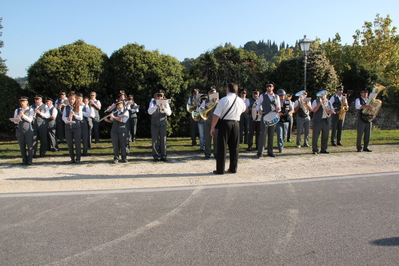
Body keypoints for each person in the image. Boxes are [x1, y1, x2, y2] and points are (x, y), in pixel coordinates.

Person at [210, 83, 246, 174]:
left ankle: (220, 169)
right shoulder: (240, 100)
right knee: (234, 147)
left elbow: (216, 115)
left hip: (225, 123)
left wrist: (212, 127)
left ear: (228, 89)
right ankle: (233, 168)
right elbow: (244, 110)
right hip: (236, 124)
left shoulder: (224, 99)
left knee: (222, 147)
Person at [256, 82, 281, 158]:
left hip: (273, 116)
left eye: (270, 86)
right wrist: (259, 110)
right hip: (265, 116)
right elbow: (258, 105)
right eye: (267, 86)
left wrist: (278, 109)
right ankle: (260, 152)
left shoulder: (276, 97)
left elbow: (279, 107)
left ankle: (270, 151)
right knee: (263, 134)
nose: (268, 88)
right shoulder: (262, 96)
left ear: (273, 87)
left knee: (271, 134)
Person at [148, 89, 172, 162]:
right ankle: (156, 156)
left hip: (163, 123)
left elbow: (169, 113)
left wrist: (163, 108)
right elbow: (149, 112)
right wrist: (156, 106)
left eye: (160, 96)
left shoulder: (166, 103)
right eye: (157, 96)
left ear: (163, 97)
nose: (159, 97)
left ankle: (163, 155)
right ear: (155, 96)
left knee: (163, 140)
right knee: (154, 140)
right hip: (155, 123)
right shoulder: (152, 102)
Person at [311, 90, 335, 154]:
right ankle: (315, 149)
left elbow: (332, 111)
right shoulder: (315, 101)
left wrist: (329, 111)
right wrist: (320, 104)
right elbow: (314, 110)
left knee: (325, 136)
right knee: (315, 136)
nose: (323, 97)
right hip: (317, 121)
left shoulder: (329, 102)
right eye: (322, 95)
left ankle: (324, 149)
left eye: (324, 95)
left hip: (326, 120)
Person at [62, 92, 83, 163]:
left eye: (73, 99)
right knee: (69, 143)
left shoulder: (78, 107)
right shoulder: (66, 107)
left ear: (75, 100)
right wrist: (67, 118)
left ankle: (78, 158)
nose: (71, 101)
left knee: (77, 143)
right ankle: (72, 158)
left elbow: (80, 118)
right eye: (70, 99)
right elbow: (63, 117)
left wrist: (74, 115)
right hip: (68, 127)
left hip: (76, 127)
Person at [13, 96, 34, 165]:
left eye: (24, 101)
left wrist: (23, 115)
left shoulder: (30, 110)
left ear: (27, 102)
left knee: (29, 144)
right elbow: (15, 121)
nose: (22, 103)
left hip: (28, 129)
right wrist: (17, 117)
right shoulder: (17, 110)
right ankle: (24, 159)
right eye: (21, 101)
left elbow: (30, 120)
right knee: (22, 145)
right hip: (19, 129)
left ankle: (30, 160)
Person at [202, 86, 218, 159]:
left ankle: (216, 153)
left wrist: (217, 102)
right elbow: (201, 109)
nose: (212, 94)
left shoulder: (219, 101)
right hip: (208, 121)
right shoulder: (205, 101)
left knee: (216, 139)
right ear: (209, 94)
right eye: (211, 93)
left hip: (217, 122)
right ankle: (207, 153)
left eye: (214, 93)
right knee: (207, 138)